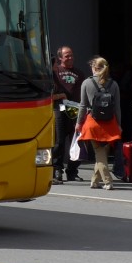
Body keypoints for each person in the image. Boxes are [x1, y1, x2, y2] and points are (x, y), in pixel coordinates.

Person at [77, 56, 122, 190]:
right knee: (102, 152)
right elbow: (117, 108)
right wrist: (119, 125)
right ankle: (95, 181)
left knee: (99, 152)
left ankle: (108, 181)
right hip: (110, 123)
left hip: (93, 123)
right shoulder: (114, 84)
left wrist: (78, 123)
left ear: (94, 68)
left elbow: (83, 106)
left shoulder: (86, 83)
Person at [51, 45, 88, 183]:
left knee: (76, 141)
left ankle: (72, 172)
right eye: (67, 55)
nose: (70, 58)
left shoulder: (79, 73)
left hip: (76, 109)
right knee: (59, 141)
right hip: (59, 109)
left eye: (71, 55)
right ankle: (57, 170)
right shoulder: (55, 71)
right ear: (60, 57)